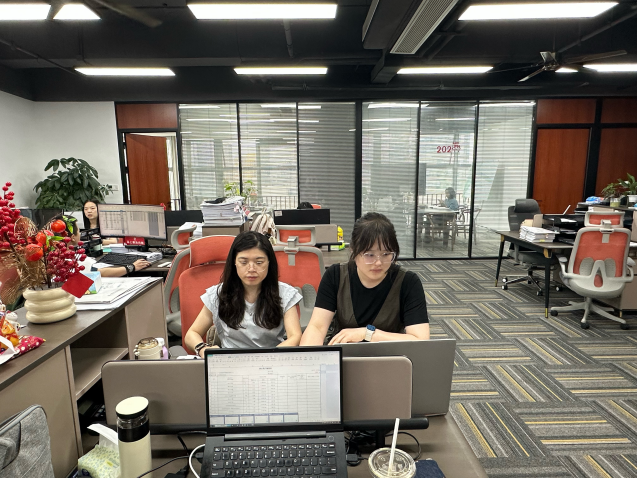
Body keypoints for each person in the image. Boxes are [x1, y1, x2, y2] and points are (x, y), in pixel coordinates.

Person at [300, 213, 430, 346]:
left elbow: (420, 340)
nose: (378, 262)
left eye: (386, 254)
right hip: (345, 353)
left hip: (390, 355)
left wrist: (368, 334)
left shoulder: (408, 282)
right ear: (354, 252)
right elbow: (317, 327)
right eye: (370, 255)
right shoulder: (335, 276)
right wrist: (308, 355)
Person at [186, 231, 303, 355]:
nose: (251, 269)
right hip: (230, 360)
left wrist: (270, 356)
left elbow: (295, 336)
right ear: (234, 262)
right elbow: (192, 334)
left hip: (271, 360)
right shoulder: (219, 294)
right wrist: (203, 349)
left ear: (269, 262)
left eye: (259, 262)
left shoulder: (284, 293)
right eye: (244, 262)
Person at [67, 217, 150, 277]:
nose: (80, 234)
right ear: (73, 237)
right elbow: (101, 273)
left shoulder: (62, 257)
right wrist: (132, 267)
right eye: (79, 231)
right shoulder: (74, 260)